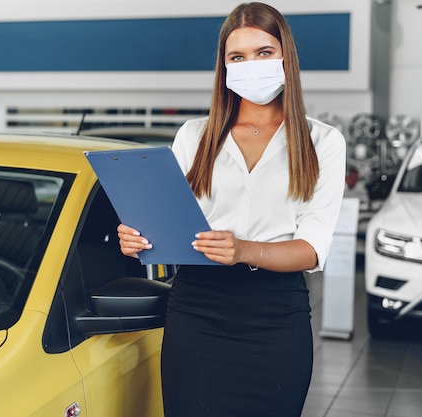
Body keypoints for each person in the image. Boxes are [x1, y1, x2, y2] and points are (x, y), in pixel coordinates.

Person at [117, 3, 346, 417]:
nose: (250, 64)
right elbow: (169, 225)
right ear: (223, 67)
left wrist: (245, 250)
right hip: (198, 312)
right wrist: (138, 239)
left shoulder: (323, 142)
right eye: (237, 57)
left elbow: (312, 248)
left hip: (277, 320)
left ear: (285, 57)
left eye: (263, 52)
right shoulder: (194, 136)